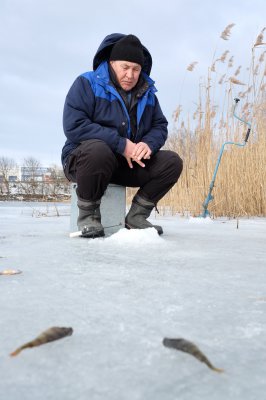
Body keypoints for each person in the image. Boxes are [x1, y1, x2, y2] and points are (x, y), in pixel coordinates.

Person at [62, 33, 183, 238]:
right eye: (125, 67)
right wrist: (121, 144)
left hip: (125, 165)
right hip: (85, 162)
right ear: (111, 63)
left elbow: (160, 126)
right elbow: (75, 125)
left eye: (136, 69)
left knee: (172, 161)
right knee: (99, 150)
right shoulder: (86, 83)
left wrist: (148, 144)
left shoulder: (148, 93)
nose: (130, 75)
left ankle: (136, 216)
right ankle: (88, 216)